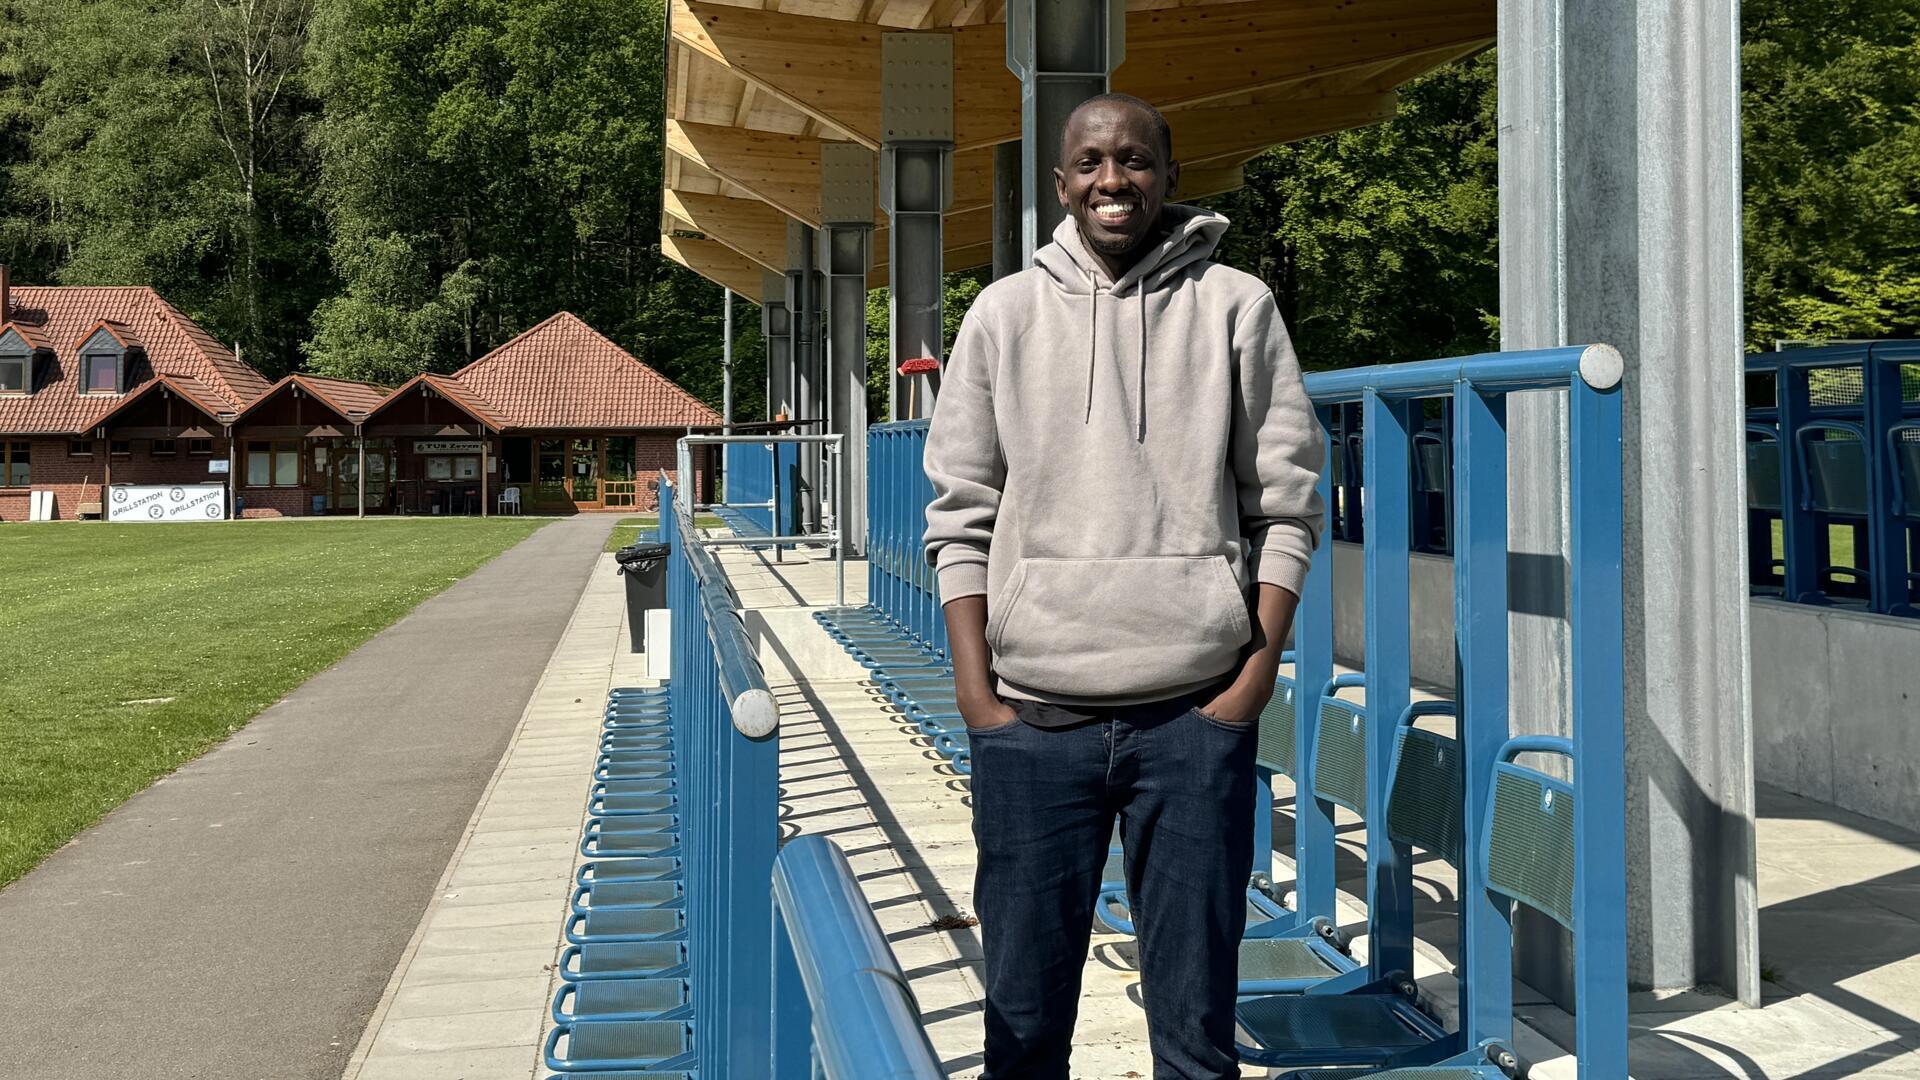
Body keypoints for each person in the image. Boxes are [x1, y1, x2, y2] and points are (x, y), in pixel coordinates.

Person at [921, 92, 1326, 1080]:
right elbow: (957, 516)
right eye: (1093, 163)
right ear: (1061, 186)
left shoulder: (1237, 307)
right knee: (1022, 1027)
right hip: (1034, 723)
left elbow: (1287, 505)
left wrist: (1250, 683)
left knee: (1195, 1034)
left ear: (1170, 177)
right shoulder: (1004, 316)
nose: (1115, 180)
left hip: (1192, 722)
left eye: (1136, 160)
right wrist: (981, 700)